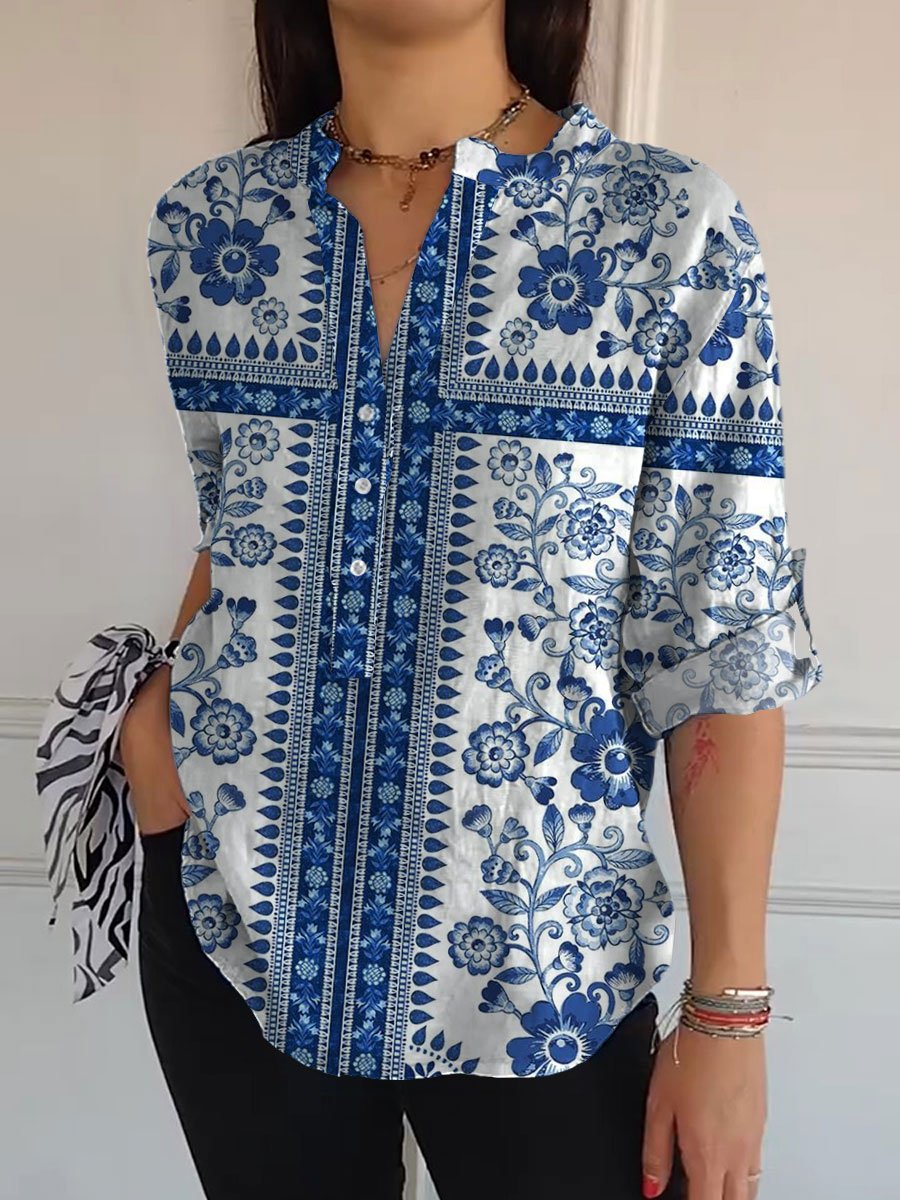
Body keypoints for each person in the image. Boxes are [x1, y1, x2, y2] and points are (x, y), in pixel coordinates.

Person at [38, 1, 823, 1197]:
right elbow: (244, 527)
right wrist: (160, 758)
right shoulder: (211, 226)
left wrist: (728, 1012)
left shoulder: (665, 226)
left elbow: (720, 636)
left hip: (545, 964)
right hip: (234, 920)